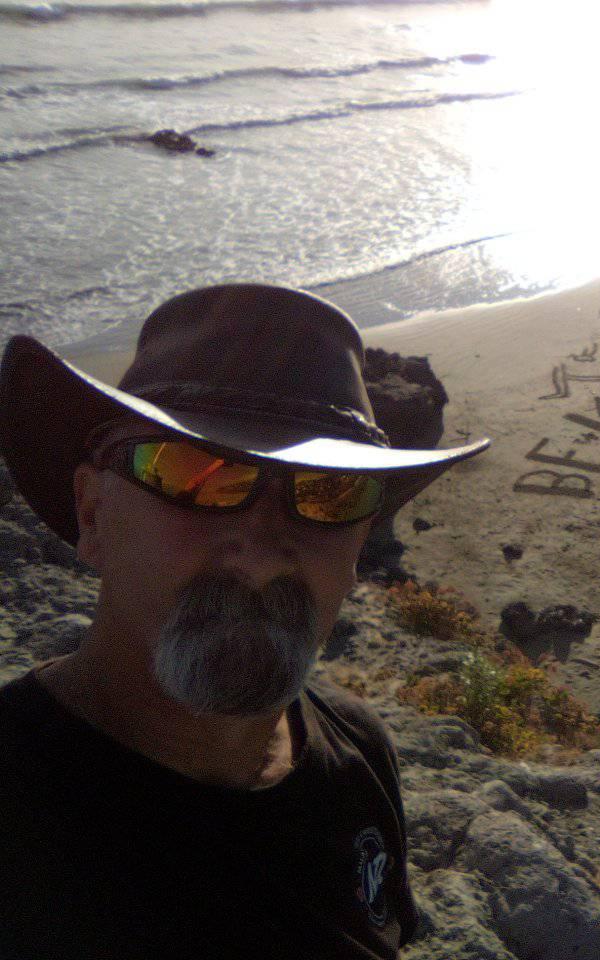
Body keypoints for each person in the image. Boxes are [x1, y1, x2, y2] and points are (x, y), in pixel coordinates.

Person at [0, 284, 490, 960]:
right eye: (194, 474)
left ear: (361, 546)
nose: (259, 553)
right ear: (93, 514)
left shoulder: (360, 756)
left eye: (330, 490)